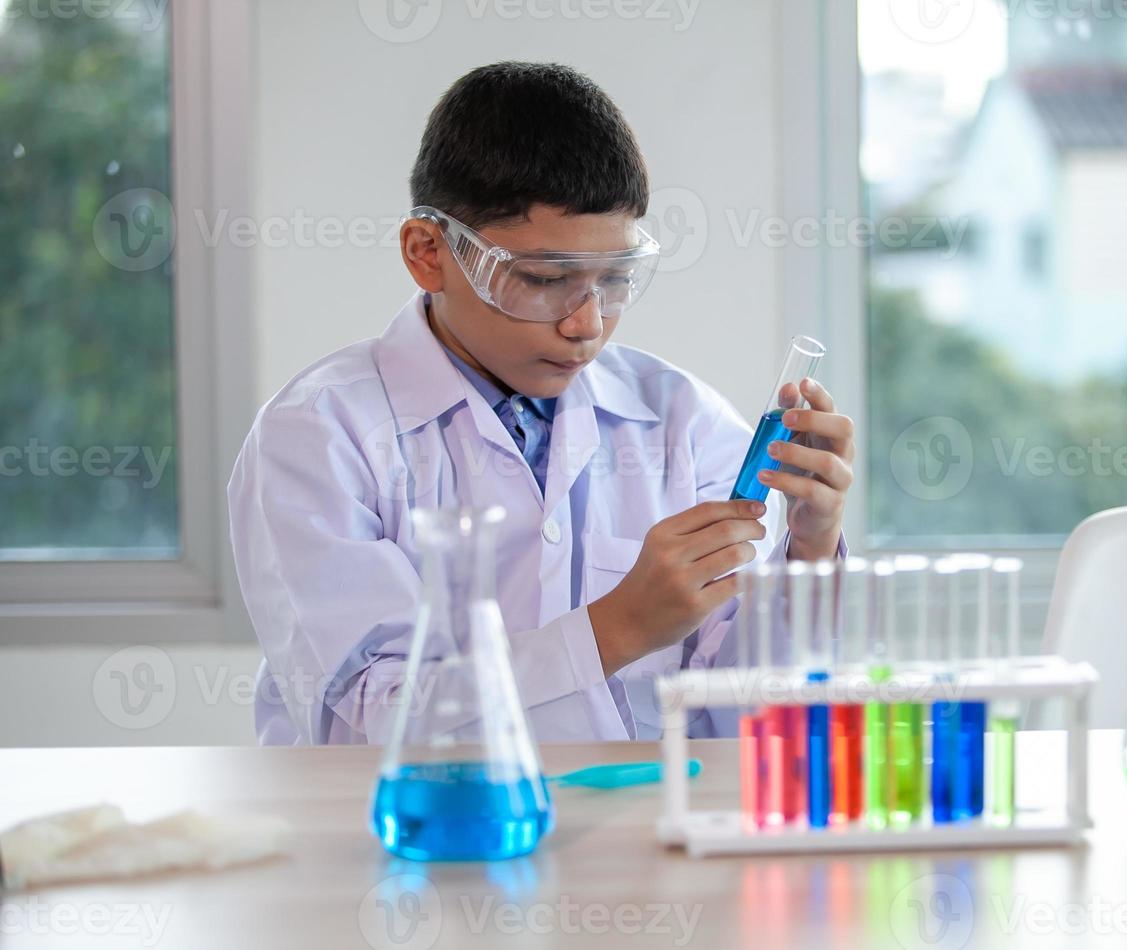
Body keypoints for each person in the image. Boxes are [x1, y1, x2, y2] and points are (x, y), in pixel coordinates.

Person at [228, 62, 854, 745]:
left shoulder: (683, 421)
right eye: (544, 278)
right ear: (428, 253)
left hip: (641, 834)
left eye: (615, 280)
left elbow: (749, 722)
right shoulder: (320, 436)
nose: (586, 323)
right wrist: (616, 629)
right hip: (410, 846)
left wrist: (809, 558)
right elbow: (375, 724)